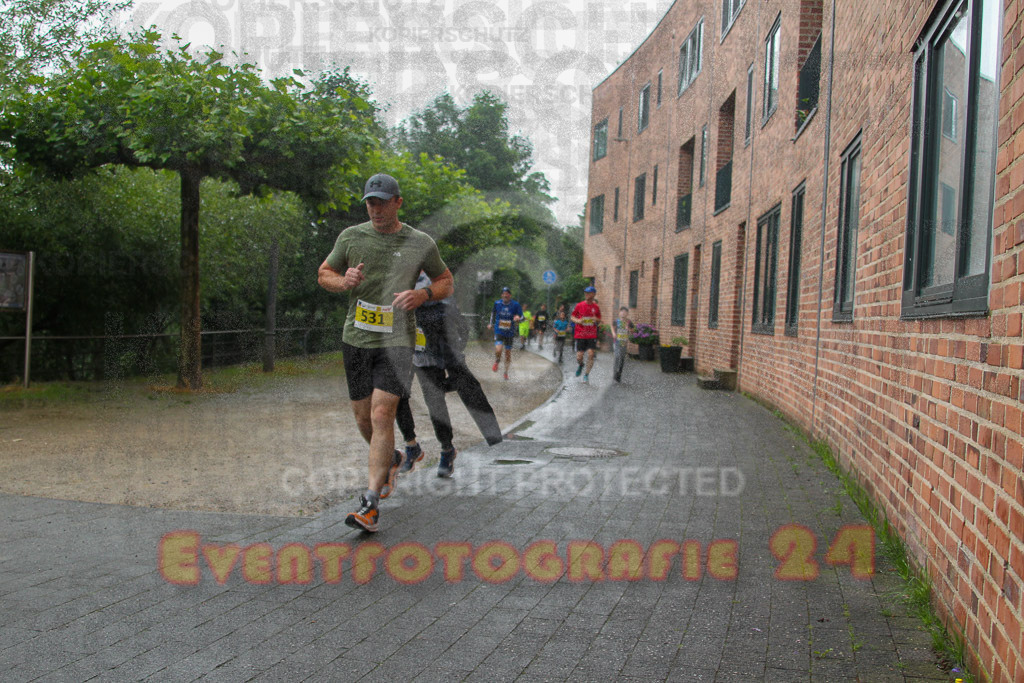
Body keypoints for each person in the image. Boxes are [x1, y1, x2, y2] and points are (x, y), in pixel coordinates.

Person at [317, 172, 453, 533]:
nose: (375, 209)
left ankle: (370, 503)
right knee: (364, 419)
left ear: (398, 202)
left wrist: (422, 295)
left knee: (381, 414)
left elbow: (446, 280)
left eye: (381, 202)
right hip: (357, 339)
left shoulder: (419, 242)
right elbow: (324, 273)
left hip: (397, 341)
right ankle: (391, 458)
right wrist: (341, 281)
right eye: (370, 203)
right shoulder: (351, 237)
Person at [394, 272, 503, 478]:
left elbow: (460, 326)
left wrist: (456, 350)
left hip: (443, 351)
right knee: (397, 394)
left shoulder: (435, 283)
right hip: (414, 351)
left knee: (442, 398)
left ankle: (447, 449)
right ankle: (412, 446)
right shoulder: (396, 274)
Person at [488, 286, 522, 380]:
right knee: (498, 349)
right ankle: (497, 360)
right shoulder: (497, 303)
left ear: (510, 295)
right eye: (504, 294)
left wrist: (518, 318)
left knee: (507, 354)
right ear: (501, 295)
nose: (505, 295)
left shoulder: (515, 305)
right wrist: (490, 323)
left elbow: (521, 317)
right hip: (499, 330)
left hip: (510, 332)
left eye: (507, 294)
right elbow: (493, 314)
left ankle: (506, 372)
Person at [571, 285, 602, 383]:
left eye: (588, 293)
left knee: (591, 354)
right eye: (585, 292)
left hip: (591, 334)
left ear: (593, 294)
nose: (586, 294)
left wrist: (595, 319)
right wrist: (579, 320)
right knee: (579, 356)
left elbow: (599, 319)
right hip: (580, 334)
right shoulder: (579, 305)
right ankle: (581, 365)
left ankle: (586, 375)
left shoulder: (596, 307)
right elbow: (572, 317)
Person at [612, 307, 634, 383]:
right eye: (622, 311)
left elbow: (633, 331)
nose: (623, 313)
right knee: (617, 356)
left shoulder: (629, 322)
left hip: (624, 343)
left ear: (627, 314)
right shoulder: (616, 321)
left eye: (625, 312)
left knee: (622, 358)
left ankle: (619, 374)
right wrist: (614, 333)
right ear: (619, 313)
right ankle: (615, 373)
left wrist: (629, 329)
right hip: (616, 342)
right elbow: (612, 327)